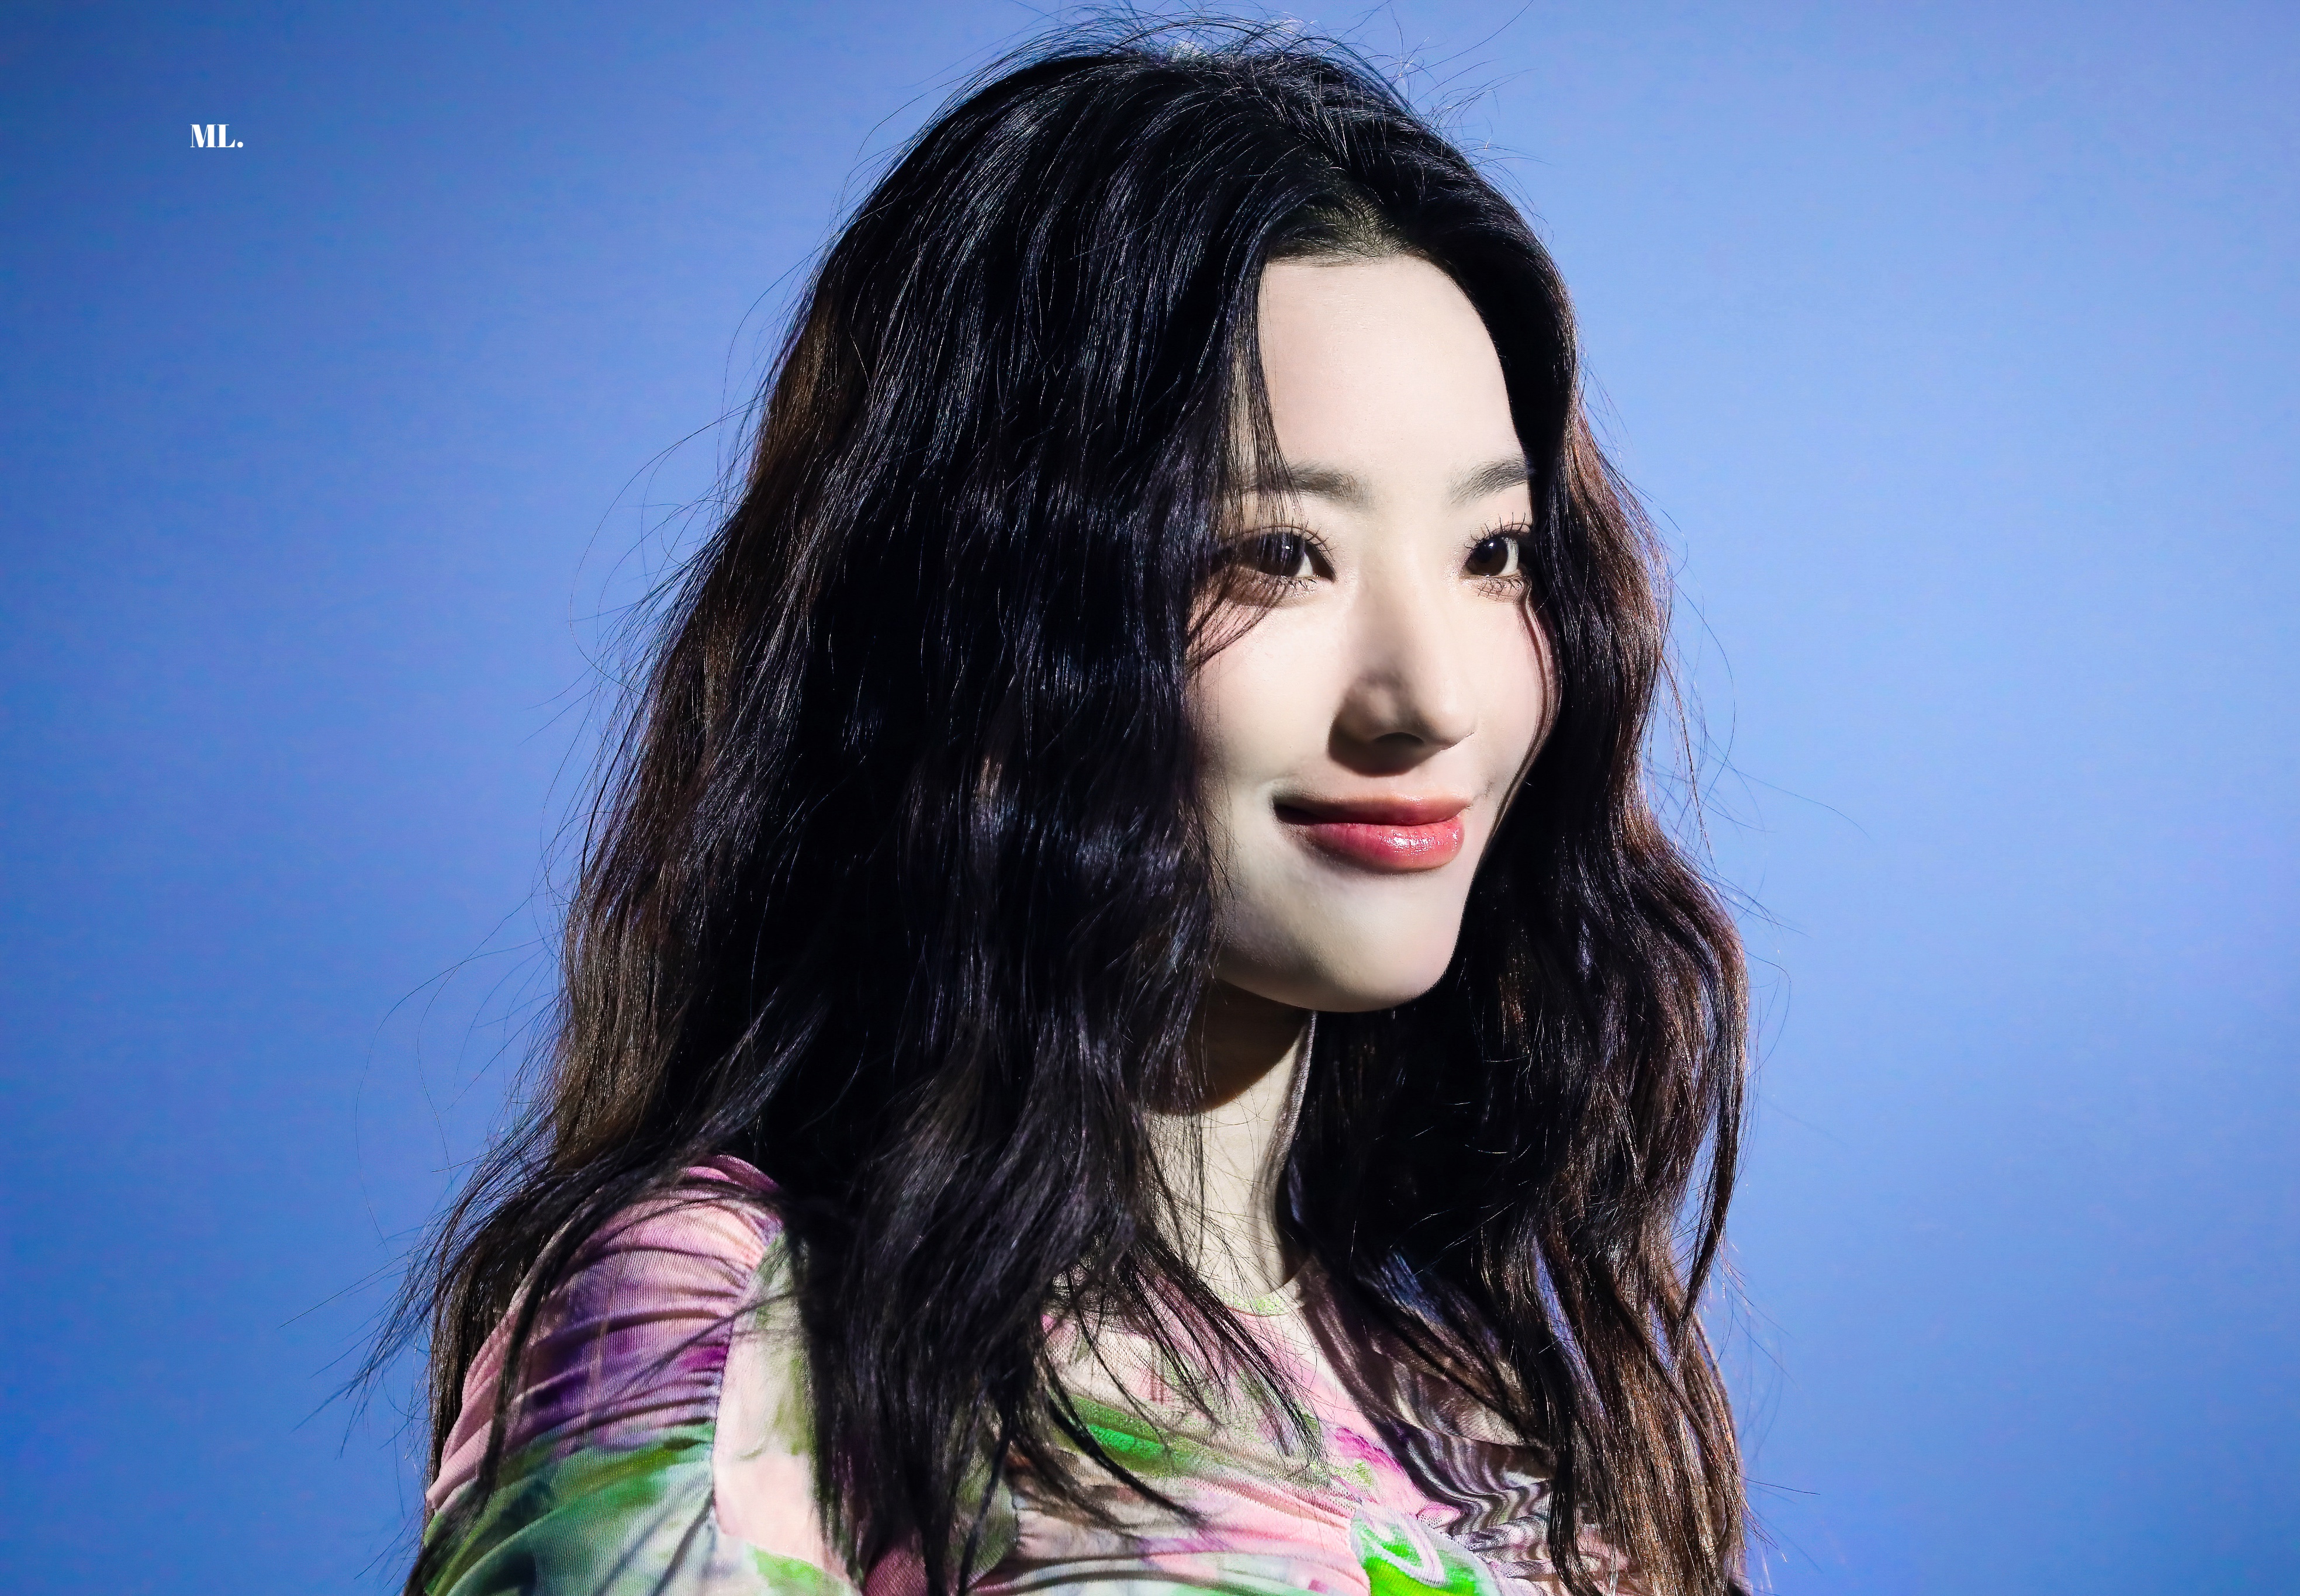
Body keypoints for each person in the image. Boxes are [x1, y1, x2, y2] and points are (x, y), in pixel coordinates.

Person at [395, 24, 1749, 1596]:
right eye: (1275, 552)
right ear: (988, 616)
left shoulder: (1496, 1419)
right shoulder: (734, 1328)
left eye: (1491, 553)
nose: (1431, 698)